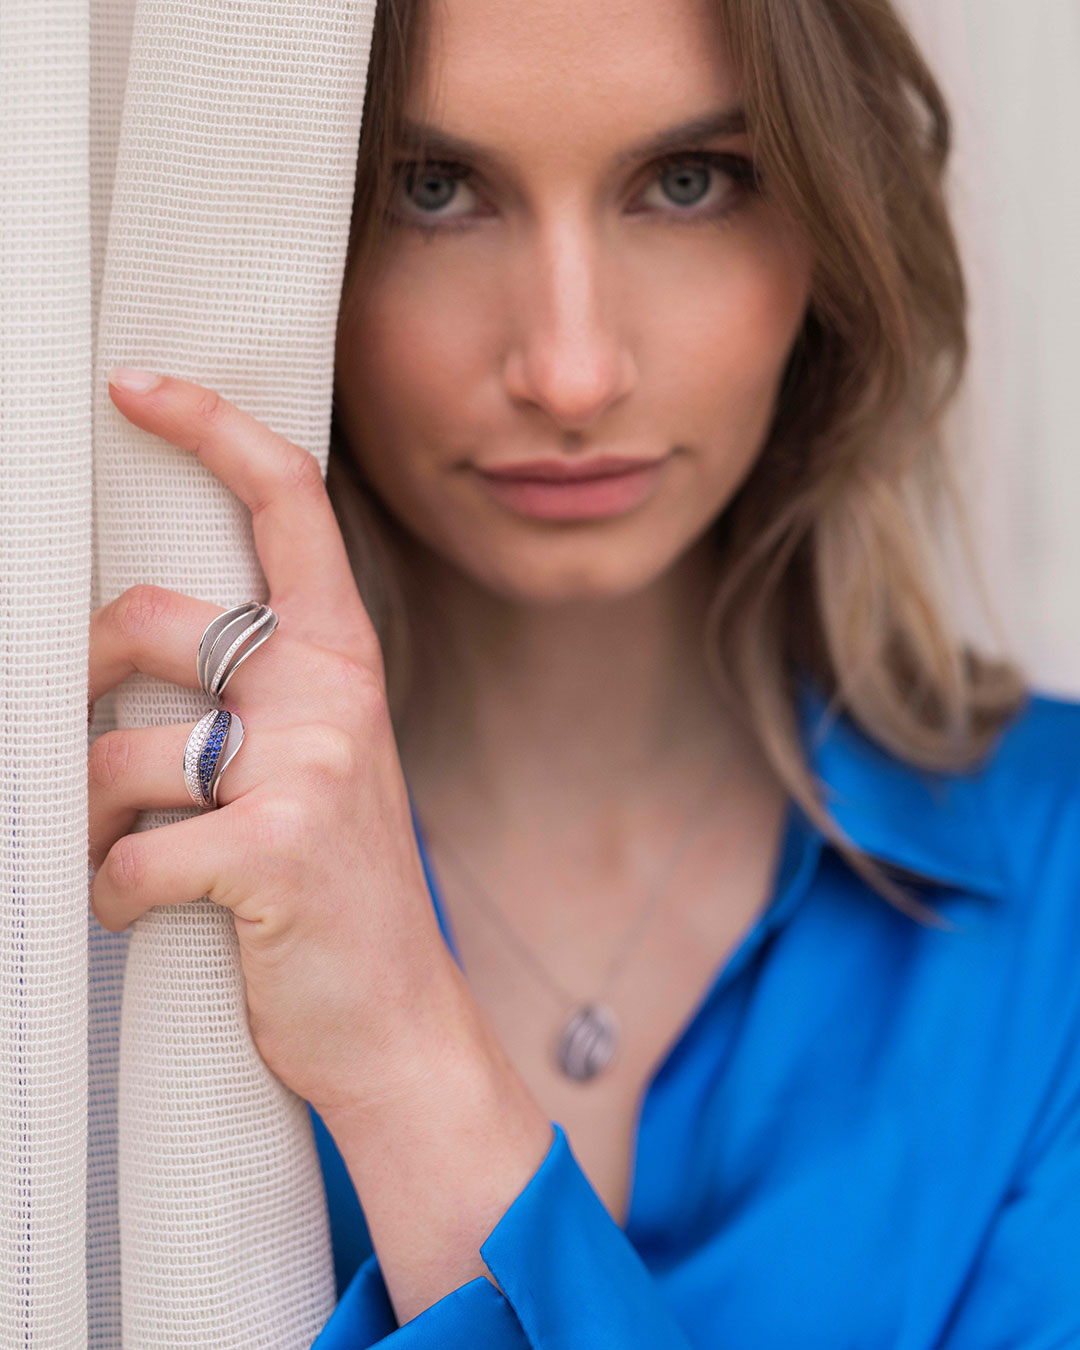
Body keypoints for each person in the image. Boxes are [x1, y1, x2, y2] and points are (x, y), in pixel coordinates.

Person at [86, 0, 1080, 1344]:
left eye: (690, 182)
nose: (569, 372)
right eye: (434, 191)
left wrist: (408, 1061)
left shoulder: (1062, 888)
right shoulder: (112, 919)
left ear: (835, 226)